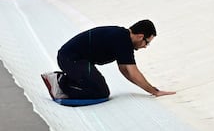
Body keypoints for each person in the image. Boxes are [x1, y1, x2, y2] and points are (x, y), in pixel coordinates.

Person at [41, 19, 175, 100]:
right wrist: (154, 92)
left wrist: (151, 90)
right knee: (100, 92)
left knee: (100, 90)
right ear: (140, 36)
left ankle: (67, 79)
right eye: (147, 42)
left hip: (75, 60)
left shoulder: (122, 38)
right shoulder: (123, 40)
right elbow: (133, 72)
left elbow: (126, 71)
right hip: (71, 59)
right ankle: (60, 83)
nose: (145, 47)